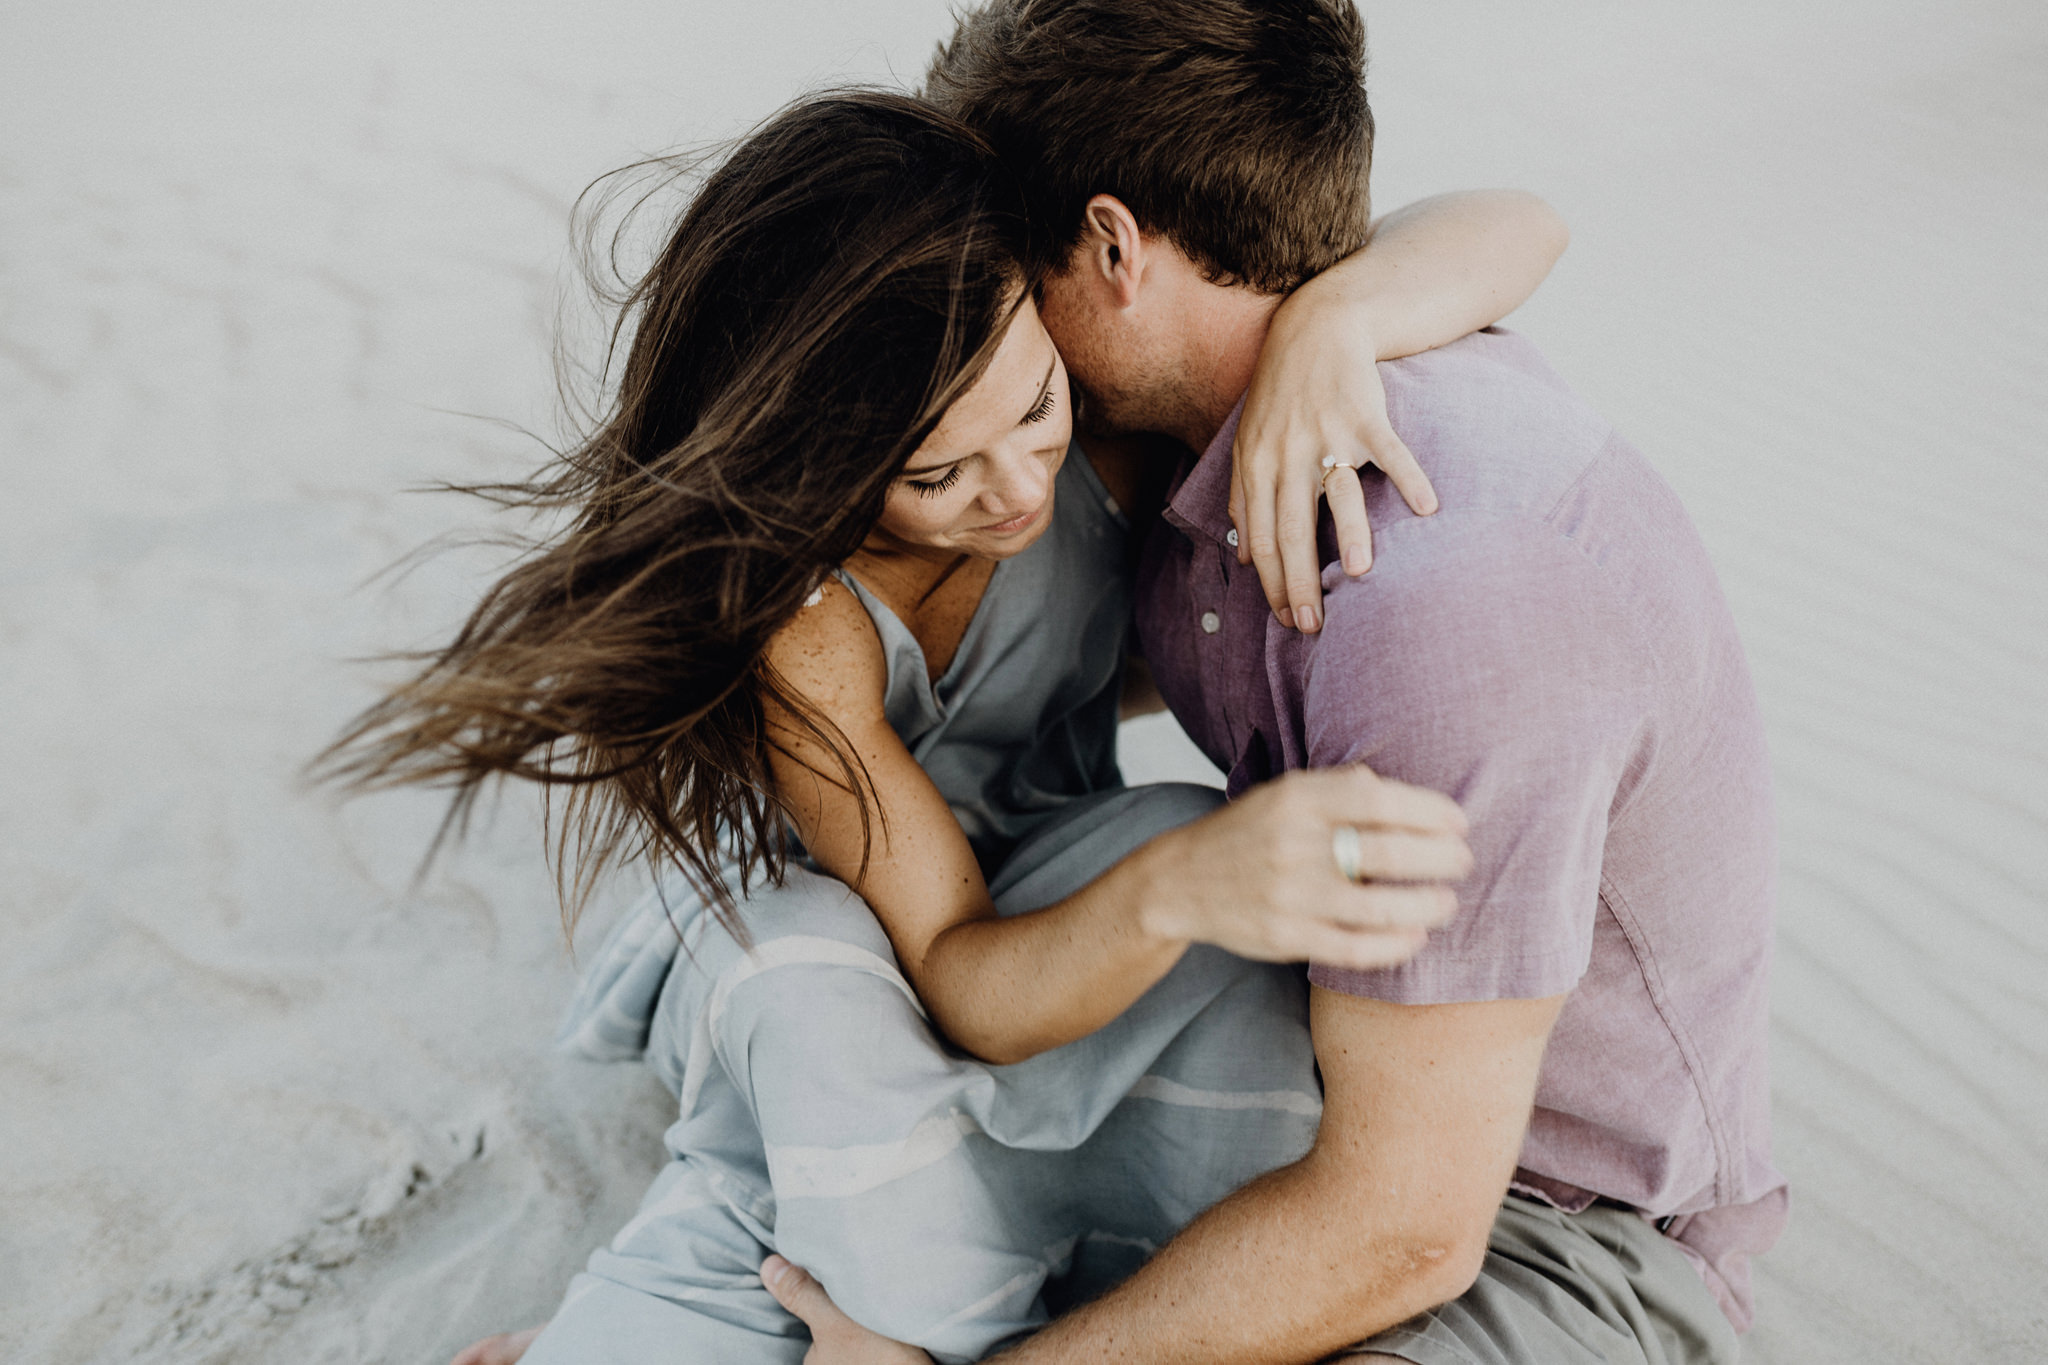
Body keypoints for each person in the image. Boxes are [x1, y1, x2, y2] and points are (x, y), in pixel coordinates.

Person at [319, 87, 1565, 1365]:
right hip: (877, 947)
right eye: (932, 476)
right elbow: (961, 978)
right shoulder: (805, 635)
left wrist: (1331, 319)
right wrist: (1186, 886)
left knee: (1223, 987)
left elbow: (1517, 222)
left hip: (1060, 891)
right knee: (801, 1125)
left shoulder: (1081, 405)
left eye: (1032, 413)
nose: (1018, 488)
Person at [763, 4, 1784, 1365]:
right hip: (1299, 1089)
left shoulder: (1436, 598)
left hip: (1561, 1231)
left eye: (1008, 246)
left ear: (1113, 247)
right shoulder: (1193, 443)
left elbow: (1407, 1230)